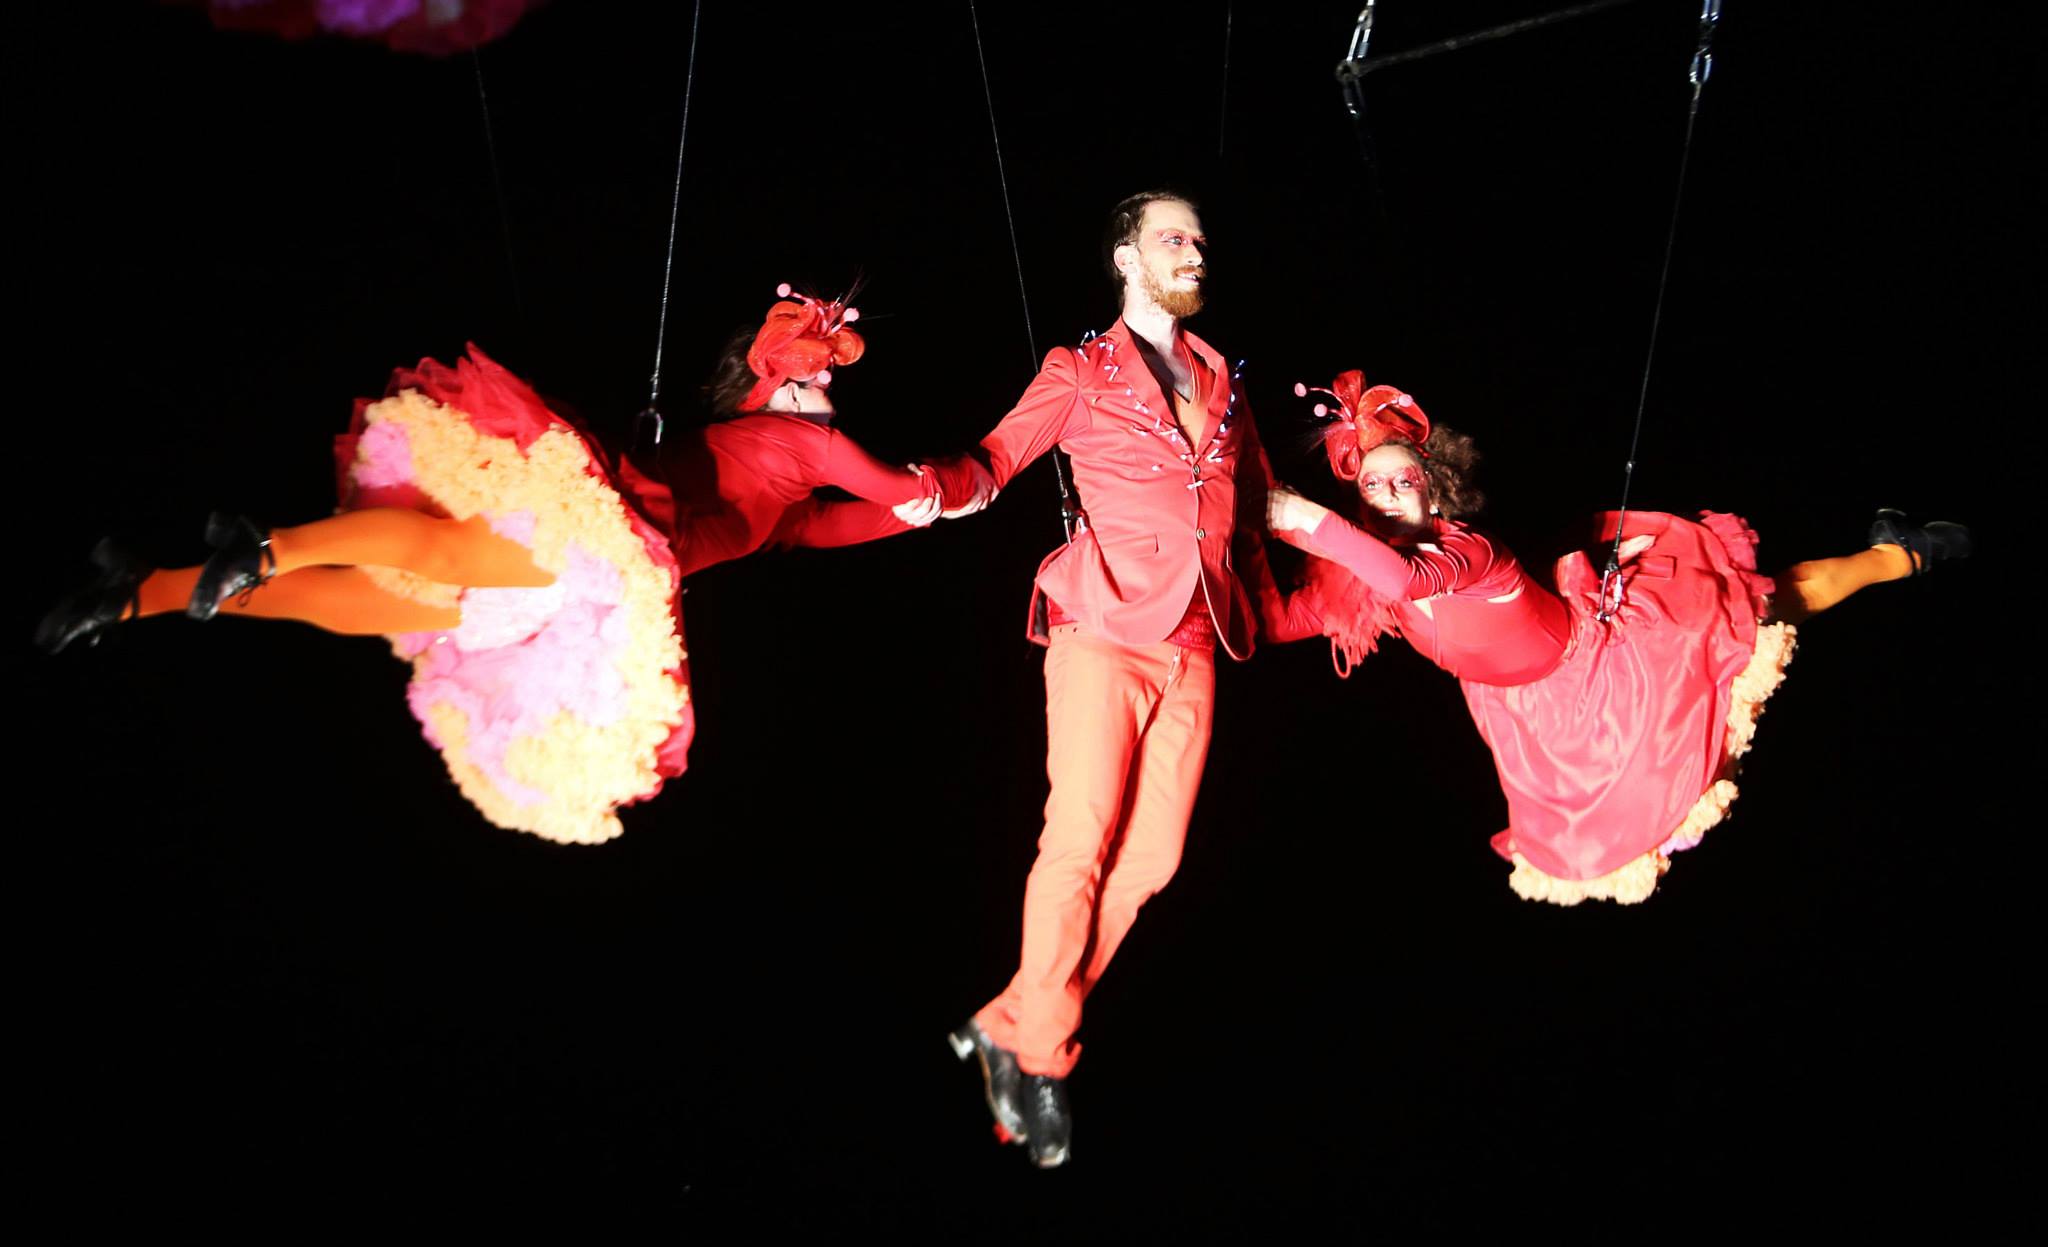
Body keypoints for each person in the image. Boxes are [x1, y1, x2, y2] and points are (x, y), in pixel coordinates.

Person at [37, 289, 987, 844]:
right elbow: (895, 488)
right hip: (599, 536)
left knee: (403, 603)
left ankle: (143, 592)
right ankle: (261, 550)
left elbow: (848, 527)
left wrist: (930, 510)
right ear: (779, 382)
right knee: (444, 566)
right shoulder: (799, 443)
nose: (828, 391)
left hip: (602, 578)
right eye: (819, 377)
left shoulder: (782, 499)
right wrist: (971, 482)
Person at [1262, 369, 1971, 904]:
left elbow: (1411, 581)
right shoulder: (1365, 577)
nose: (1386, 496)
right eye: (1373, 489)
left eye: (1402, 480)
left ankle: (1898, 554)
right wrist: (1186, 600)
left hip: (1608, 669)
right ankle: (1893, 554)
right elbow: (1289, 618)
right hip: (1530, 719)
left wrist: (1293, 514)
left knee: (1772, 604)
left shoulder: (1465, 549)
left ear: (1435, 491)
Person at [946, 191, 1279, 1168]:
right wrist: (933, 490)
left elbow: (1253, 497)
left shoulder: (1222, 375)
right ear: (1125, 260)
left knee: (1155, 861)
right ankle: (1038, 1053)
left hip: (1196, 637)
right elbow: (996, 456)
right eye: (1171, 237)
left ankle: (1010, 1014)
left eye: (1199, 238)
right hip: (1102, 623)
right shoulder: (1079, 369)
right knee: (1079, 836)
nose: (1193, 248)